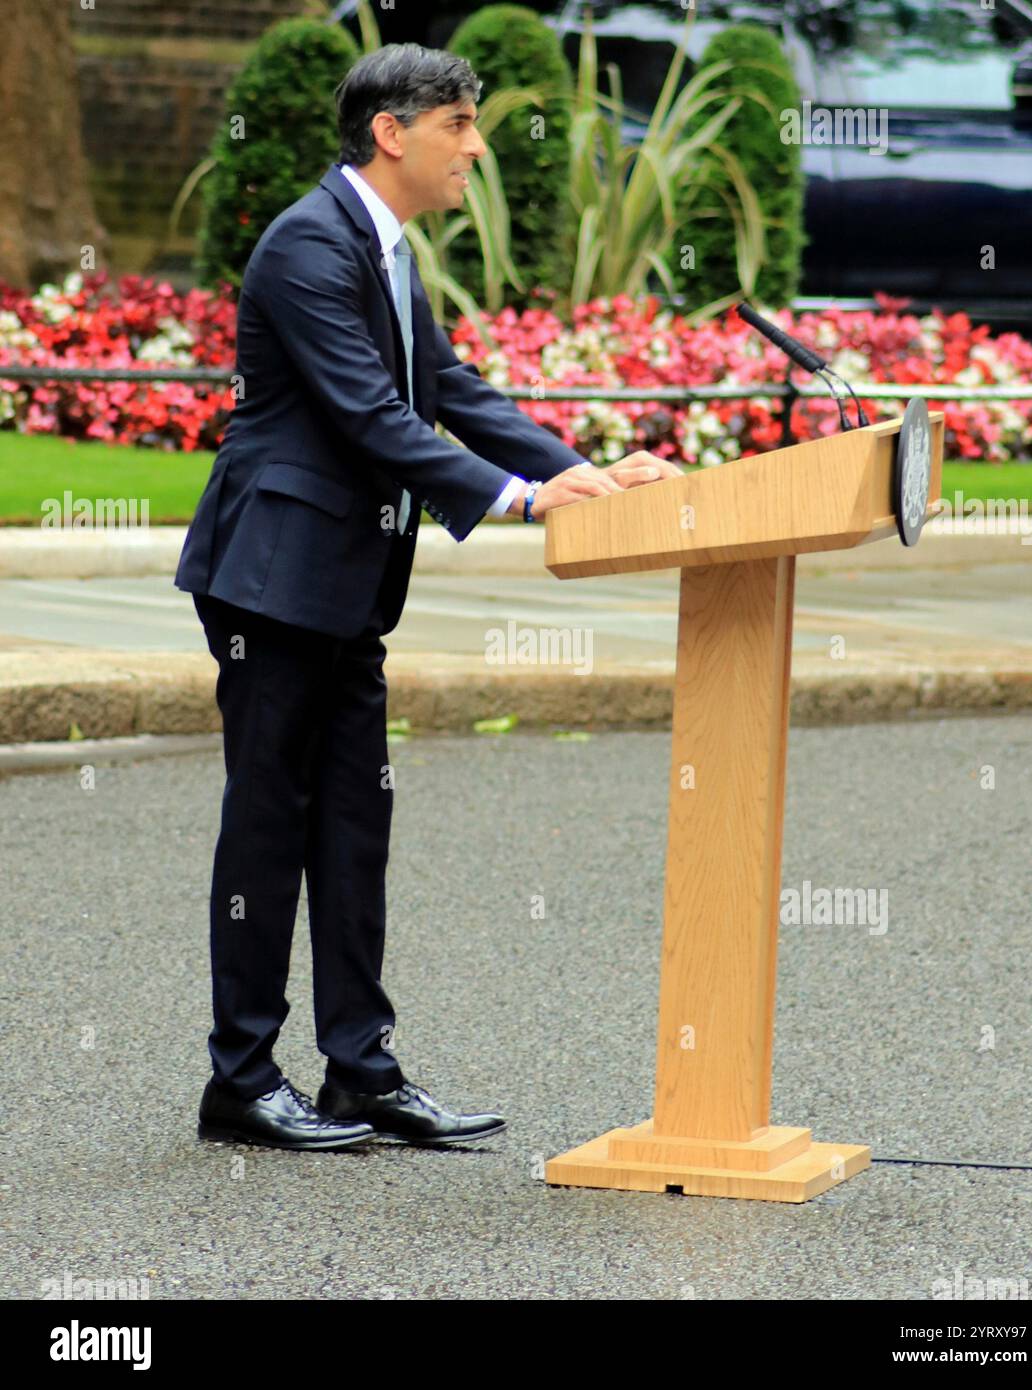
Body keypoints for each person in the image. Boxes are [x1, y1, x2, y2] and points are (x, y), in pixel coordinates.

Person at [175, 42, 679, 1152]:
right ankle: (241, 1080)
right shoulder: (309, 243)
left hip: (346, 586)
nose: (480, 146)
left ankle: (361, 1069)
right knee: (269, 828)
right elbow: (368, 414)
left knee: (355, 827)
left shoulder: (383, 246)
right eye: (461, 123)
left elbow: (447, 387)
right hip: (273, 580)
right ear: (393, 133)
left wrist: (573, 470)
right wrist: (519, 498)